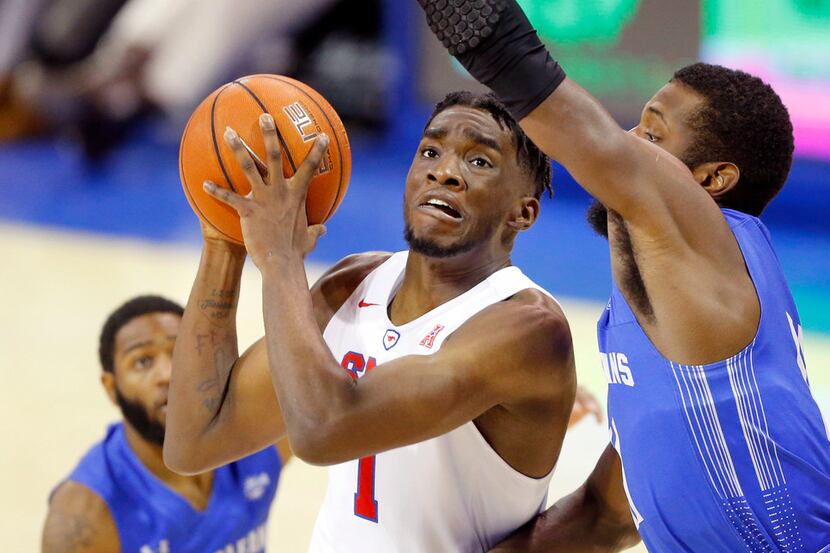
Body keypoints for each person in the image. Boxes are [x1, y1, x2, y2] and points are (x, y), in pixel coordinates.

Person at [415, 2, 830, 552]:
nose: (630, 144)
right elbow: (603, 517)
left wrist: (475, 26)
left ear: (713, 180)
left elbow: (558, 109)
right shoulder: (667, 324)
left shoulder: (719, 238)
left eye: (651, 139)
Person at [163, 92, 577, 551]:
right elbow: (195, 442)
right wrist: (226, 238)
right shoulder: (353, 282)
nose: (443, 172)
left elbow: (323, 431)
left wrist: (280, 257)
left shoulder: (527, 330)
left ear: (524, 212)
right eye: (430, 151)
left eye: (479, 161)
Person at [42, 295, 289, 553]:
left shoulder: (257, 430)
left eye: (181, 353)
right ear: (111, 387)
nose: (168, 374)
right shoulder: (85, 515)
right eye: (143, 362)